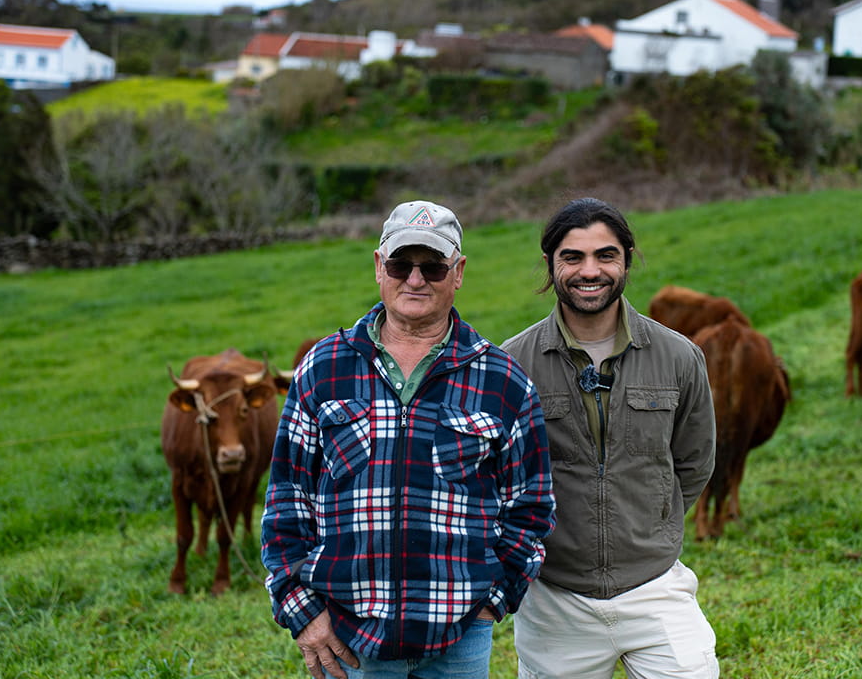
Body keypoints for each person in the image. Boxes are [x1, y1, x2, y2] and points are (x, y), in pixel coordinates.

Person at [261, 199, 555, 679]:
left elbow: (532, 506)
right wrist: (302, 613)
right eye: (401, 263)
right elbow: (287, 501)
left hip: (460, 639)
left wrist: (494, 599)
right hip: (347, 638)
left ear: (457, 273)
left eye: (433, 267)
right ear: (379, 266)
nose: (415, 279)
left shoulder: (502, 380)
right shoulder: (323, 368)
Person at [501, 197, 719, 679]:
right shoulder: (511, 365)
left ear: (627, 258)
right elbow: (499, 480)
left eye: (605, 255)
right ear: (550, 264)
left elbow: (694, 460)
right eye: (572, 257)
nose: (589, 270)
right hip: (556, 596)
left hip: (655, 584)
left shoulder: (679, 356)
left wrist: (652, 523)